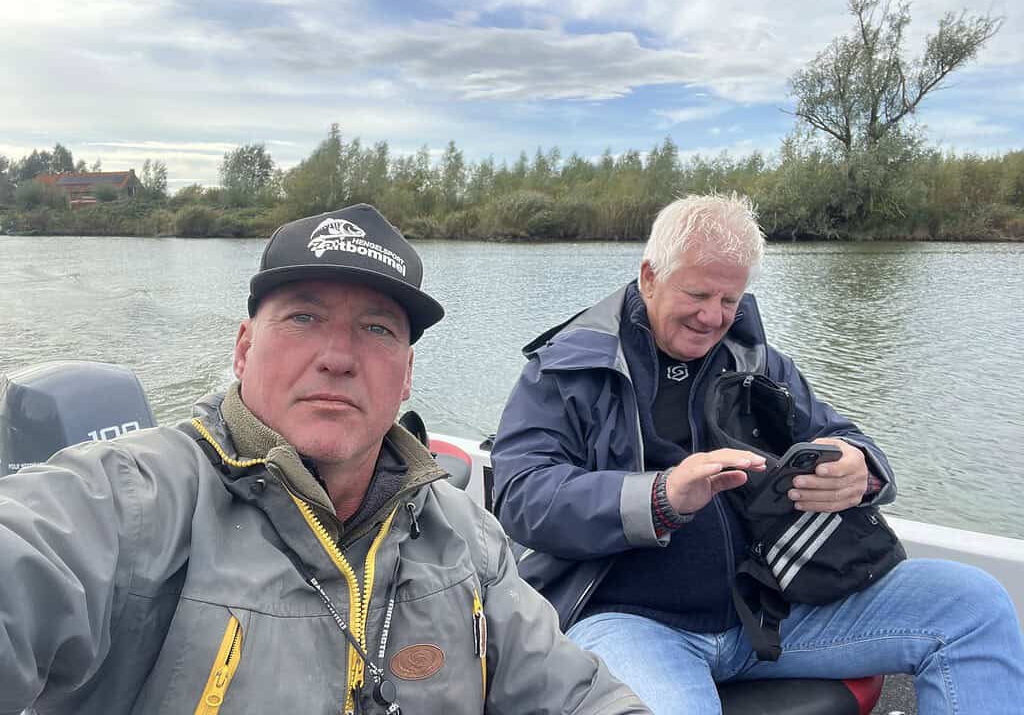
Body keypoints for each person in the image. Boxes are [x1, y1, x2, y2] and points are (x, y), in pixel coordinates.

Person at [0, 203, 650, 715]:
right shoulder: (135, 502)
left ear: (406, 376)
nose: (338, 356)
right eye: (304, 318)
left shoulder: (469, 538)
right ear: (244, 349)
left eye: (376, 329)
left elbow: (576, 694)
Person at [490, 192, 1024, 715]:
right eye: (698, 295)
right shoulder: (565, 369)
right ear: (649, 276)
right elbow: (520, 496)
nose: (713, 317)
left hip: (774, 610)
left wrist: (860, 469)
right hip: (629, 621)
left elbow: (843, 434)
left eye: (729, 300)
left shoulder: (756, 361)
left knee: (974, 605)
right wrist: (661, 496)